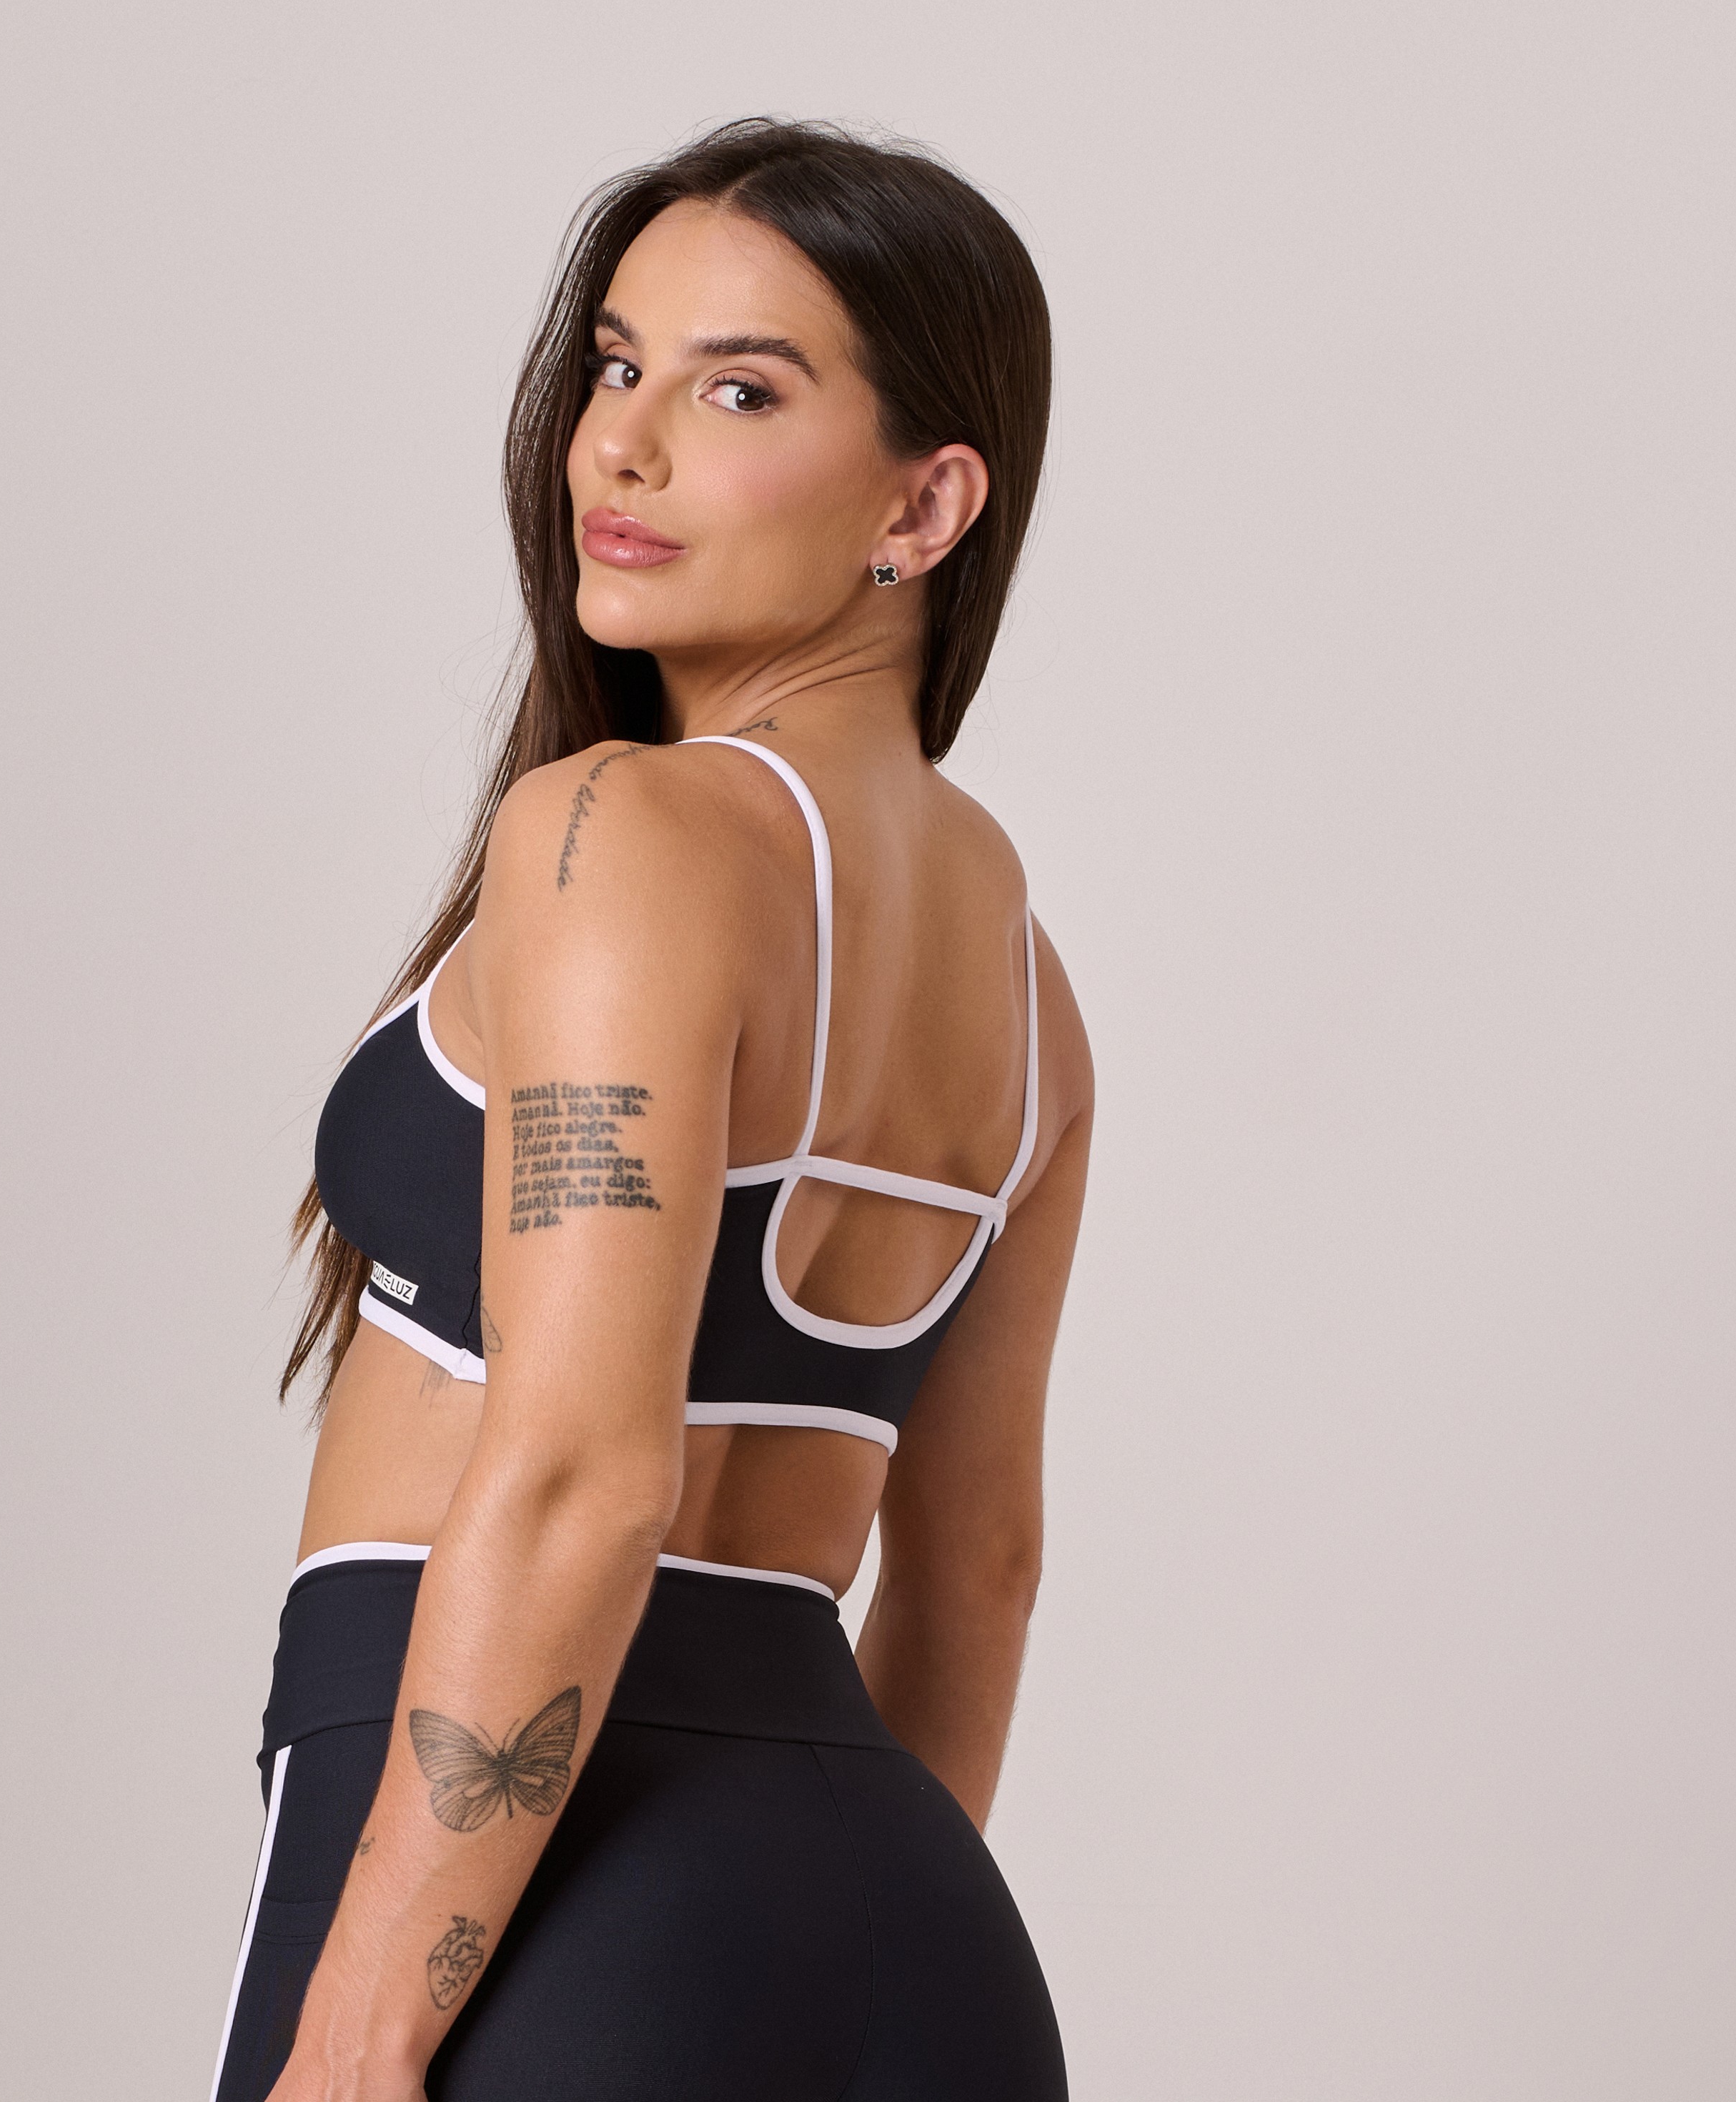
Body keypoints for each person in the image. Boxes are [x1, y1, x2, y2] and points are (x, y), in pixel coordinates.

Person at [209, 117, 1093, 2102]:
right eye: (619, 365)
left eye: (740, 390)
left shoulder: (620, 830)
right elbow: (979, 1571)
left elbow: (582, 1477)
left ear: (927, 503)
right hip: (902, 1926)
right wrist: (816, 1932)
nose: (622, 444)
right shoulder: (1033, 995)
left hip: (535, 1906)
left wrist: (361, 2035)